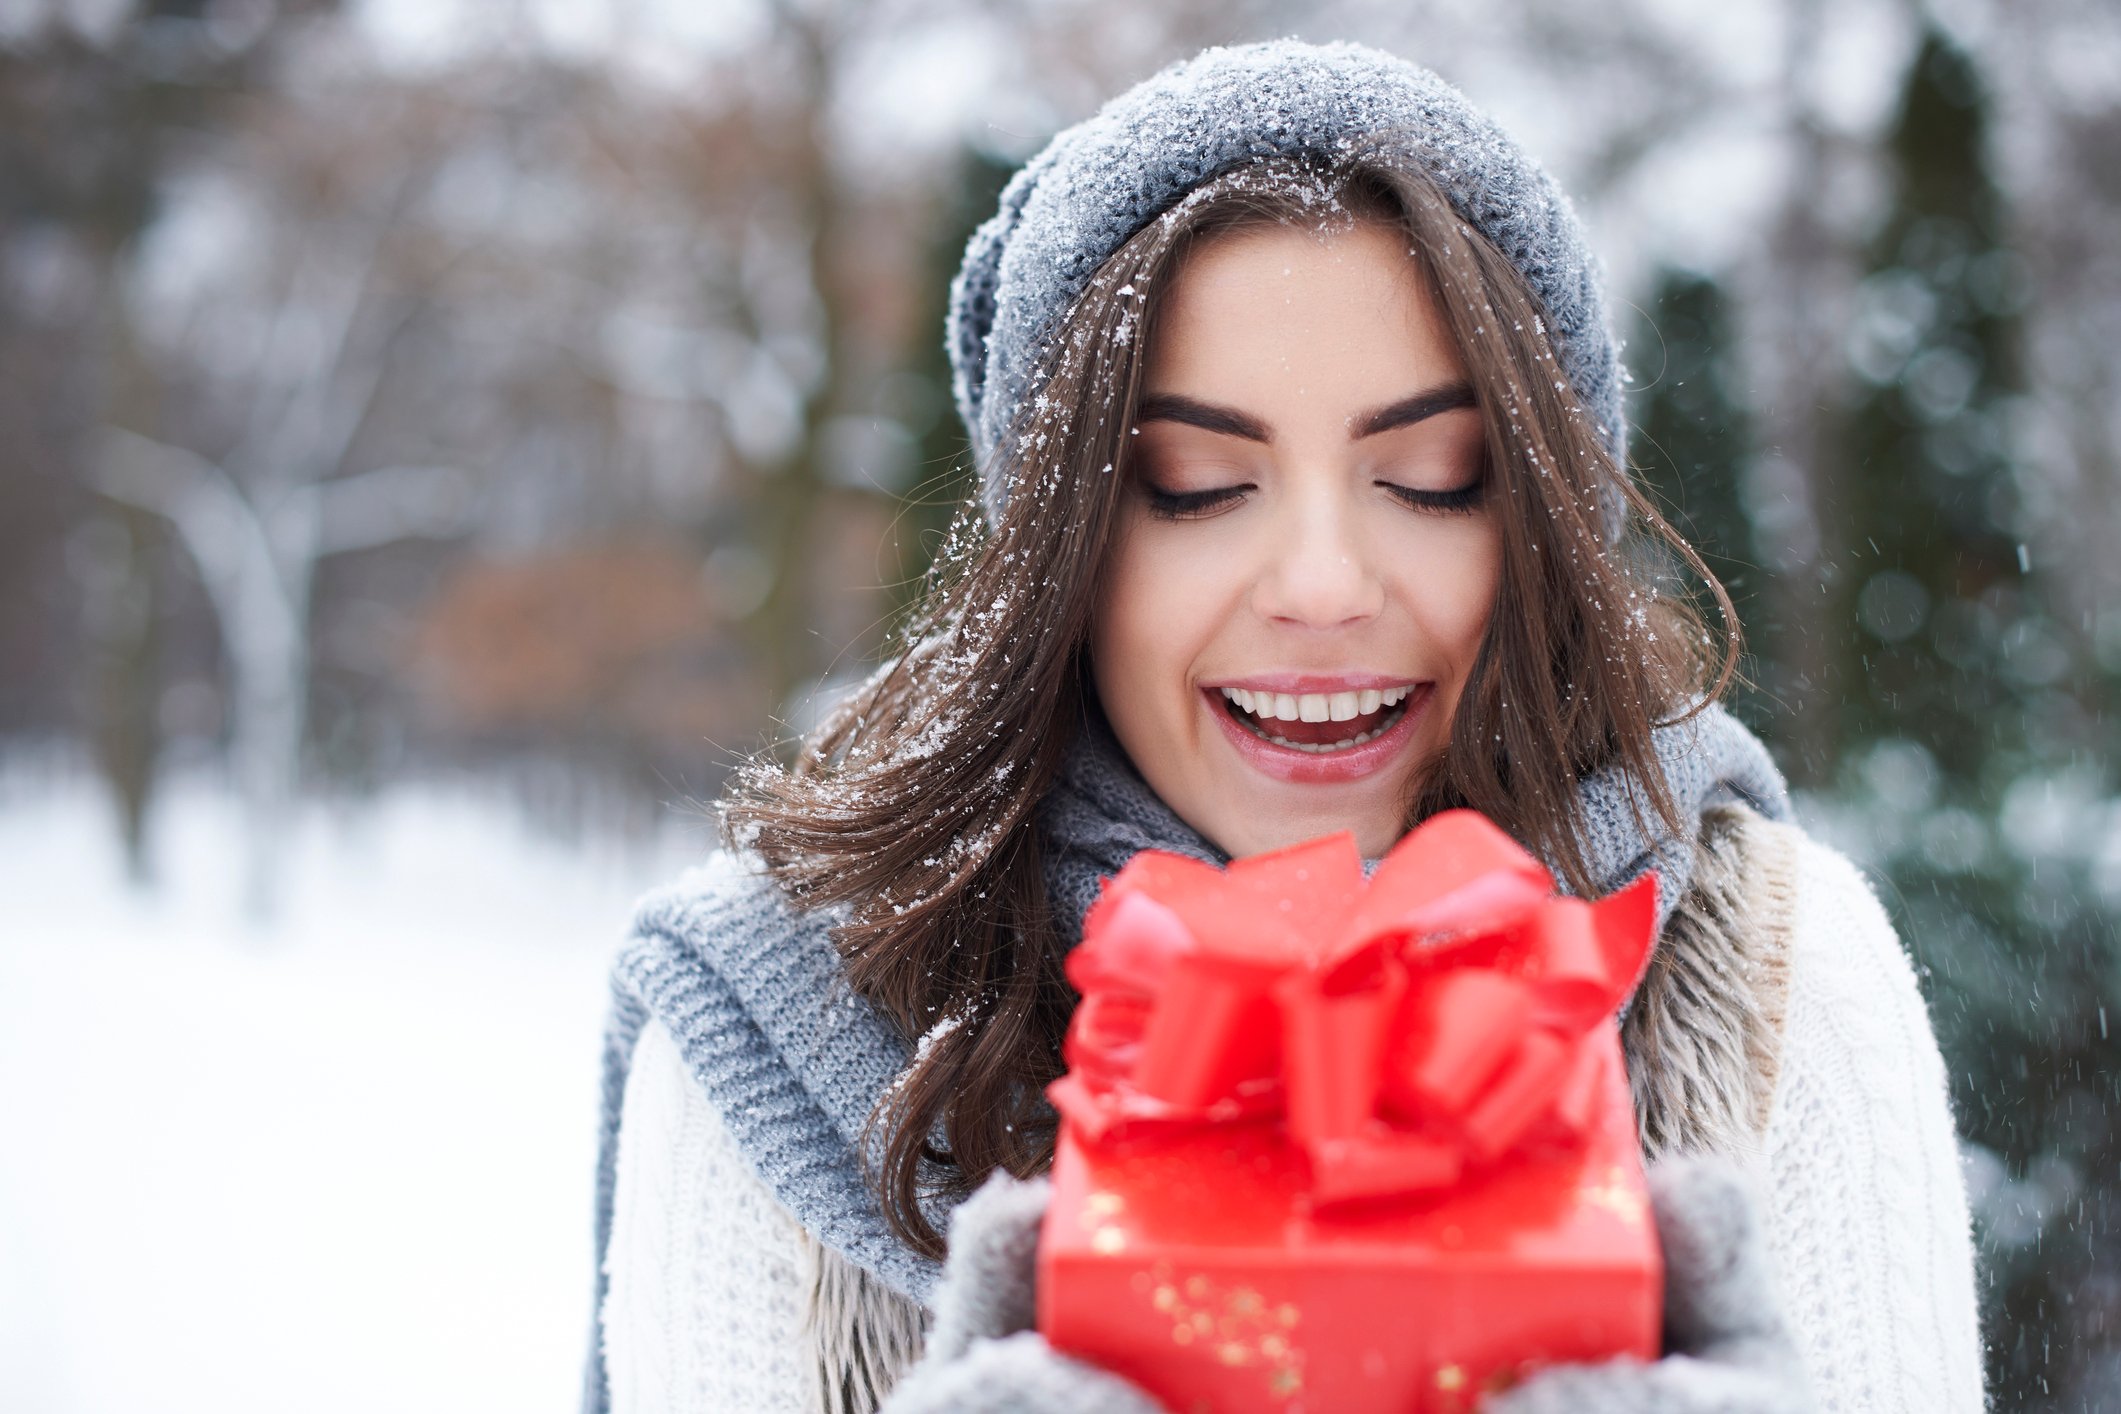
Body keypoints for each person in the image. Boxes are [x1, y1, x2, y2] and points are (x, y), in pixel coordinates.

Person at [581, 39, 1983, 1414]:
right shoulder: (777, 1023)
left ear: (1541, 524)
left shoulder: (1768, 969)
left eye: (1431, 477)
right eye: (1194, 482)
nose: (1320, 587)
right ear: (1059, 545)